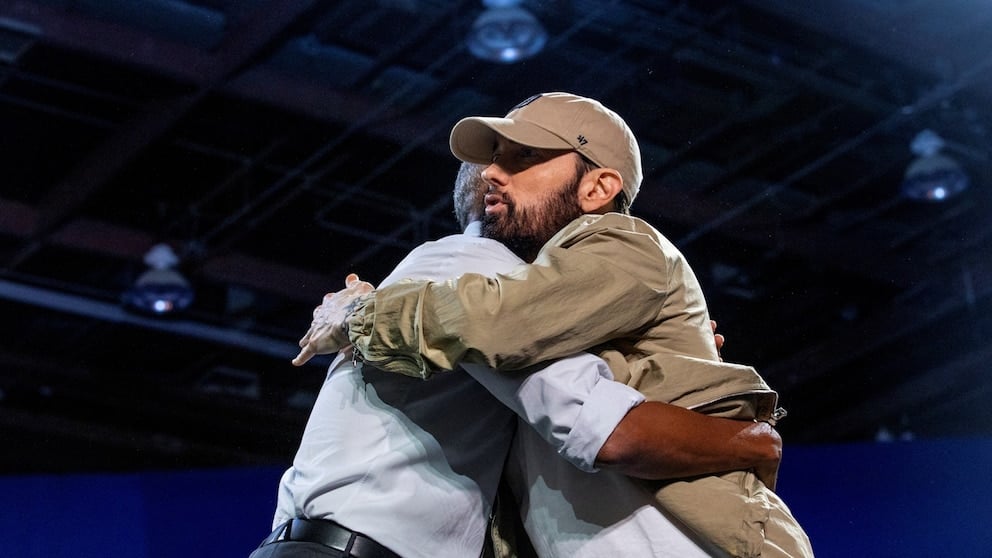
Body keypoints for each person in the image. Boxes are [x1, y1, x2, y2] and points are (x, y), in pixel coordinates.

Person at [303, 92, 813, 557]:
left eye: (525, 156)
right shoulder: (562, 306)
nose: (490, 175)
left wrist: (358, 316)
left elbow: (501, 322)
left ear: (598, 187)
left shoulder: (625, 242)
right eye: (494, 157)